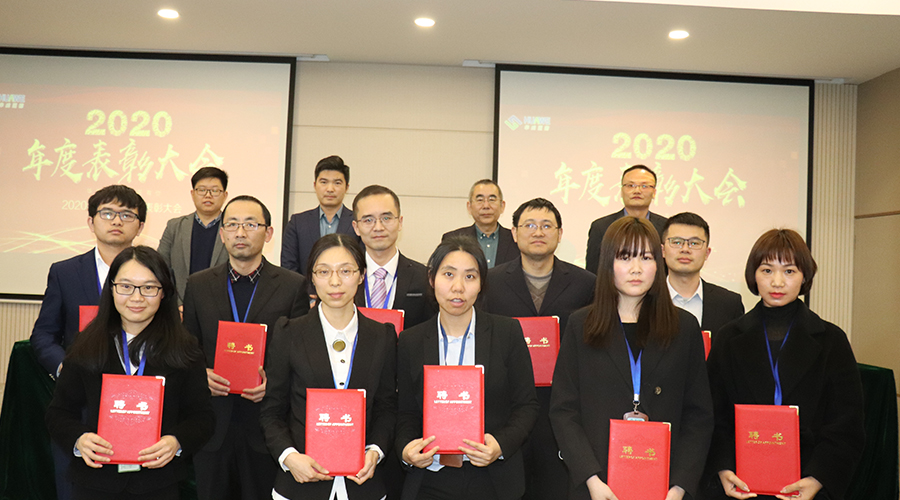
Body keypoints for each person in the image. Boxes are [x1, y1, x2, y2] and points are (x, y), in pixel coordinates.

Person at [550, 216, 713, 500]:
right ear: (607, 263)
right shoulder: (581, 325)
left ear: (658, 262)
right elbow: (564, 411)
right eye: (625, 257)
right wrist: (592, 480)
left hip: (667, 488)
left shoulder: (684, 327)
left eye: (646, 258)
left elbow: (698, 415)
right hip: (597, 486)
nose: (636, 269)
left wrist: (679, 486)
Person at [705, 229, 865, 500]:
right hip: (740, 482)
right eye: (767, 270)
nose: (777, 282)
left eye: (789, 271)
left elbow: (847, 424)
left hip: (807, 481)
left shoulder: (831, 340)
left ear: (804, 276)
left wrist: (817, 479)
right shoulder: (728, 337)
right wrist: (723, 468)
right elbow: (713, 415)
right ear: (753, 275)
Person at [45, 246, 214, 500]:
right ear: (111, 289)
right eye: (126, 286)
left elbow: (203, 417)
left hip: (157, 484)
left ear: (164, 293)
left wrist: (177, 442)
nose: (137, 297)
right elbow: (58, 413)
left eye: (149, 287)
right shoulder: (85, 345)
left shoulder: (185, 350)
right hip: (95, 482)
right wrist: (79, 439)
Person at [182, 195, 311, 500]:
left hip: (266, 426)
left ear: (268, 233)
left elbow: (300, 354)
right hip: (212, 424)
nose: (240, 232)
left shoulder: (292, 285)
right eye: (232, 225)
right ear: (222, 233)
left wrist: (274, 383)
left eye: (251, 224)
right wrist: (201, 374)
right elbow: (188, 347)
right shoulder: (198, 284)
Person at [396, 236, 539, 500]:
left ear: (482, 283)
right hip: (431, 478)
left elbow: (526, 405)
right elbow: (405, 412)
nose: (458, 287)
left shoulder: (506, 332)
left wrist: (500, 445)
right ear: (432, 278)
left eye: (470, 277)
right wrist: (406, 450)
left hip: (492, 477)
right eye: (448, 274)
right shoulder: (410, 341)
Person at [30, 184, 147, 500]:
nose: (116, 220)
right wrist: (64, 368)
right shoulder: (65, 272)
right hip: (79, 404)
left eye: (127, 215)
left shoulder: (154, 274)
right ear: (91, 221)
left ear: (140, 226)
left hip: (136, 405)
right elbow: (44, 334)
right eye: (107, 213)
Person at [259, 233, 397, 500]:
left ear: (361, 275)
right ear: (312, 277)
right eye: (324, 271)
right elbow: (272, 410)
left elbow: (387, 407)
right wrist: (290, 458)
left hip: (363, 486)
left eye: (345, 271)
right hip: (299, 485)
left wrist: (375, 451)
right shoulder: (289, 333)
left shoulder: (382, 336)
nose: (335, 281)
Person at [482, 197, 595, 500]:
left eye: (547, 225)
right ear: (514, 233)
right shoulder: (490, 283)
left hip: (561, 408)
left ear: (560, 234)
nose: (538, 232)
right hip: (506, 408)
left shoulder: (586, 284)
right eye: (529, 225)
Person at [352, 185, 436, 329]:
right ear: (356, 228)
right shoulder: (344, 277)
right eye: (368, 220)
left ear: (400, 222)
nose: (378, 227)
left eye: (386, 218)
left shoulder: (424, 278)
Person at [662, 212, 744, 341]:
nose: (685, 249)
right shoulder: (645, 300)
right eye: (677, 242)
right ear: (663, 250)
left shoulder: (730, 304)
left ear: (707, 253)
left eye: (694, 243)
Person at [157, 166, 230, 306]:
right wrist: (176, 305)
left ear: (225, 195)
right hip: (179, 307)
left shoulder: (232, 229)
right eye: (202, 190)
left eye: (215, 190)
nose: (208, 195)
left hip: (220, 307)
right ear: (192, 193)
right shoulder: (174, 227)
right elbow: (161, 268)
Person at [282, 155, 360, 276]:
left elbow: (362, 264)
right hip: (305, 288)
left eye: (337, 183)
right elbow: (288, 267)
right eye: (324, 182)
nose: (330, 189)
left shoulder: (358, 222)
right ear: (315, 185)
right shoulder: (297, 223)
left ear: (347, 187)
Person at [584, 165, 668, 274]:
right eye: (630, 185)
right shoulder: (601, 227)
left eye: (644, 186)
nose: (637, 191)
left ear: (654, 192)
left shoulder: (666, 227)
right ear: (622, 191)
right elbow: (592, 272)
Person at [442, 179, 518, 269]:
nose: (486, 206)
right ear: (469, 207)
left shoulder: (516, 240)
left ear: (502, 206)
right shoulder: (452, 239)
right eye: (480, 200)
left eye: (492, 200)